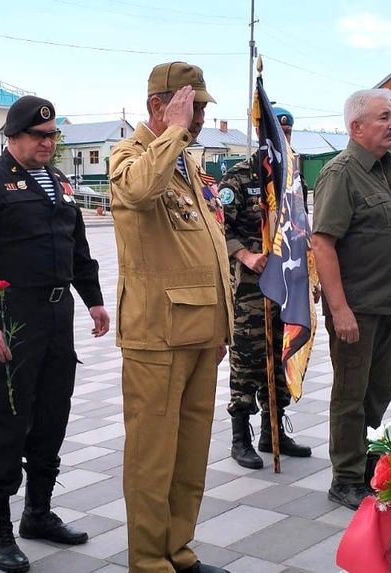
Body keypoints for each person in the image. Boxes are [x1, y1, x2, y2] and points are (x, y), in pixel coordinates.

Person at [0, 95, 108, 573]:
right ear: (13, 137)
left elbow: (76, 247)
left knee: (51, 418)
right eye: (39, 135)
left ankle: (37, 512)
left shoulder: (58, 183)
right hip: (10, 320)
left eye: (52, 135)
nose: (48, 142)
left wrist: (94, 299)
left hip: (57, 322)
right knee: (6, 424)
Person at [109, 63, 234, 573]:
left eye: (202, 107)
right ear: (158, 106)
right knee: (153, 457)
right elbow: (139, 191)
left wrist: (222, 323)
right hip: (157, 334)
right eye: (192, 106)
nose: (200, 116)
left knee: (189, 454)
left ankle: (177, 549)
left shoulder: (184, 162)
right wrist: (176, 130)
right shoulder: (132, 155)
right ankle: (148, 560)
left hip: (201, 329)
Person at [310, 89, 391, 509]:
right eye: (382, 117)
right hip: (356, 309)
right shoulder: (341, 173)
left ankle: (358, 450)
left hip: (389, 305)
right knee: (351, 396)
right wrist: (339, 309)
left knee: (379, 390)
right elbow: (323, 244)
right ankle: (347, 477)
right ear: (356, 127)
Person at [218, 105, 312, 469]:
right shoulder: (239, 178)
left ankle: (273, 431)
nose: (281, 138)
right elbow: (219, 230)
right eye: (276, 132)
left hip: (286, 288)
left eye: (286, 133)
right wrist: (245, 256)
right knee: (247, 361)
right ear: (262, 133)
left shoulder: (290, 181)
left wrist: (310, 278)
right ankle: (239, 437)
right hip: (250, 292)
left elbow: (299, 230)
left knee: (281, 355)